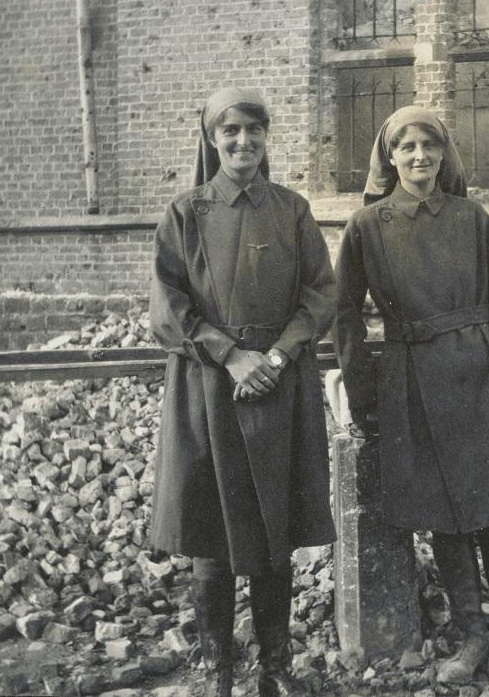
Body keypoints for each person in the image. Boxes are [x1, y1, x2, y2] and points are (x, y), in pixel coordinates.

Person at [333, 106, 489, 686]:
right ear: (390, 157)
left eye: (429, 145)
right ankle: (471, 639)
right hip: (412, 379)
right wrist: (362, 393)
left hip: (481, 371)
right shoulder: (367, 227)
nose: (419, 156)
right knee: (446, 518)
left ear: (443, 153)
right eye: (406, 147)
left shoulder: (471, 217)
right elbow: (344, 315)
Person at [149, 87, 336, 697]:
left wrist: (277, 354)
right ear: (211, 140)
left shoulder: (292, 210)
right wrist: (230, 355)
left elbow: (319, 294)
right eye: (229, 132)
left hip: (278, 387)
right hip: (208, 388)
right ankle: (216, 669)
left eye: (253, 131)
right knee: (213, 529)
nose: (242, 143)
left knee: (271, 525)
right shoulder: (185, 214)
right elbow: (167, 307)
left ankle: (274, 668)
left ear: (266, 138)